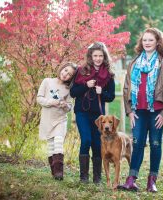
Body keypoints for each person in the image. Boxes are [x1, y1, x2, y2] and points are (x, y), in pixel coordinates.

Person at [118, 28, 163, 192]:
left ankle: (152, 181)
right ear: (141, 42)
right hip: (138, 111)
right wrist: (129, 111)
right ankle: (131, 180)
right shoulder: (134, 63)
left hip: (157, 111)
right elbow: (126, 88)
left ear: (157, 42)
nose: (147, 43)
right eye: (144, 40)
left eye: (150, 40)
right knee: (137, 143)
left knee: (156, 144)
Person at [70, 42, 115, 184]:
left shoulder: (108, 74)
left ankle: (97, 177)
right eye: (95, 55)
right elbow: (73, 92)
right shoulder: (81, 71)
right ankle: (84, 177)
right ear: (90, 56)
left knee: (97, 144)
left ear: (104, 56)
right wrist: (85, 85)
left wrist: (103, 92)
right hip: (82, 112)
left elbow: (111, 96)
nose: (98, 58)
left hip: (98, 115)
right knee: (86, 140)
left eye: (101, 56)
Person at [37, 62, 77, 180]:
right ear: (61, 69)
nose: (66, 74)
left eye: (69, 74)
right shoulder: (47, 81)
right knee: (50, 146)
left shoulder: (68, 89)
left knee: (58, 142)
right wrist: (51, 102)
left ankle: (59, 172)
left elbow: (70, 107)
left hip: (60, 120)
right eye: (65, 70)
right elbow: (39, 98)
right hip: (47, 119)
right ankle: (54, 172)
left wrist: (65, 105)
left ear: (71, 78)